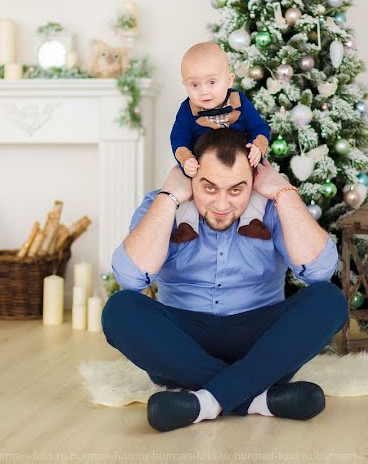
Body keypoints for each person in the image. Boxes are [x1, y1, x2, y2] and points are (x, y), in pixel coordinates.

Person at [102, 127, 349, 432]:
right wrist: (169, 197)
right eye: (209, 187)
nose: (221, 204)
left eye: (236, 190)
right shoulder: (162, 203)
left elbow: (319, 270)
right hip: (182, 346)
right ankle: (256, 398)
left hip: (261, 341)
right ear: (191, 176)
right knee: (119, 309)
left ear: (253, 182)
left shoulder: (271, 204)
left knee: (329, 300)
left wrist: (283, 191)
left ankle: (205, 401)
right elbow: (130, 277)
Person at [169, 42, 271, 242]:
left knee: (257, 189)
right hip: (204, 169)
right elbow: (178, 137)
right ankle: (186, 225)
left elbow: (259, 128)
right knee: (188, 193)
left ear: (229, 80)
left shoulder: (239, 101)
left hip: (241, 165)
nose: (204, 92)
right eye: (195, 85)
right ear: (185, 85)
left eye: (212, 83)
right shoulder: (187, 110)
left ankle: (252, 221)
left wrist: (258, 147)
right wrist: (186, 159)